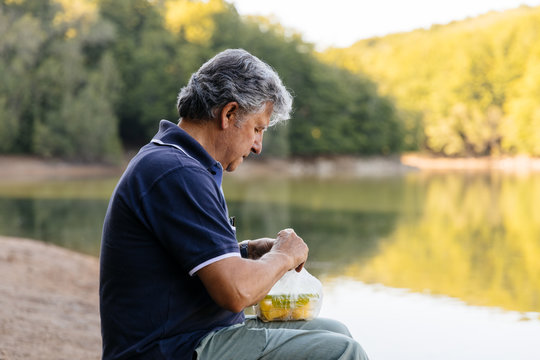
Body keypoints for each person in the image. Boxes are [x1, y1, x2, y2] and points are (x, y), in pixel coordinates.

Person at [99, 48, 369, 360]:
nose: (258, 146)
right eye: (257, 129)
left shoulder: (179, 162)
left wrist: (244, 253)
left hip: (193, 336)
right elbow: (237, 293)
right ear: (228, 114)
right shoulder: (177, 170)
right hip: (170, 348)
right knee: (342, 352)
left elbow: (182, 263)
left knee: (335, 331)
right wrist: (282, 256)